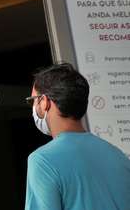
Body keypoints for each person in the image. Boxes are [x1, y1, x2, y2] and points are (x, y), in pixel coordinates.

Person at [25, 63, 130, 210]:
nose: (33, 107)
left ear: (44, 102)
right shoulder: (118, 156)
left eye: (33, 100)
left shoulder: (42, 161)